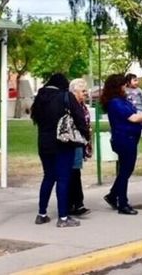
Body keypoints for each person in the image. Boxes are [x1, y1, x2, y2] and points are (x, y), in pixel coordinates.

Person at [30, 73, 89, 228]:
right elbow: (79, 118)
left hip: (44, 144)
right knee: (63, 178)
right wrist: (84, 136)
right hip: (63, 143)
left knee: (48, 177)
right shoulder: (66, 97)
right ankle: (63, 217)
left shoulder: (40, 98)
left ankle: (41, 214)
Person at [101, 74, 142, 215]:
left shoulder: (122, 101)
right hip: (124, 139)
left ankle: (112, 195)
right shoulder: (115, 102)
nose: (125, 88)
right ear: (117, 87)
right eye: (123, 85)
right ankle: (122, 203)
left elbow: (135, 111)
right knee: (125, 171)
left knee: (126, 170)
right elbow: (134, 117)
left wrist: (141, 115)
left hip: (130, 138)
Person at [68, 78, 92, 217]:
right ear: (74, 91)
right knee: (73, 173)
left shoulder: (81, 105)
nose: (85, 93)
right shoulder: (71, 105)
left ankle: (76, 203)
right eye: (83, 91)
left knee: (75, 173)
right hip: (74, 142)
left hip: (81, 142)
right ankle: (76, 204)